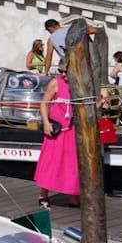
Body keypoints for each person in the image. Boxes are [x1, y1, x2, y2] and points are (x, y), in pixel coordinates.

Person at [35, 63, 80, 208]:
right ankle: (43, 194)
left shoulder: (80, 84)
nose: (64, 74)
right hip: (57, 130)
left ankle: (73, 194)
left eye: (67, 71)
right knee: (50, 161)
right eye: (62, 71)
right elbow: (44, 103)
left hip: (72, 130)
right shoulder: (56, 83)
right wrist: (46, 122)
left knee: (72, 163)